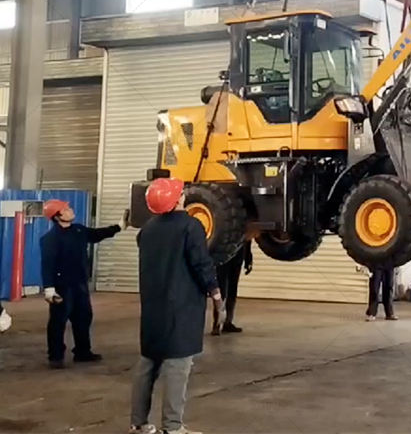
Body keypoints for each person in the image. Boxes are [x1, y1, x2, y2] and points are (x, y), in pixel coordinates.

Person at [130, 178, 225, 434]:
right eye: (180, 193)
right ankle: (172, 427)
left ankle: (138, 424)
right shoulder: (190, 226)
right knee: (177, 366)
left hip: (153, 306)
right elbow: (201, 263)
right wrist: (215, 293)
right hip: (181, 307)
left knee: (148, 363)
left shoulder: (147, 230)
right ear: (177, 200)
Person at [40, 199, 127, 369]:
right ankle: (56, 356)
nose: (71, 210)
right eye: (66, 209)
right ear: (57, 216)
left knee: (83, 318)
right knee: (58, 322)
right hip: (62, 287)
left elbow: (96, 234)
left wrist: (119, 226)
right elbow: (47, 264)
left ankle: (82, 352)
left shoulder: (78, 230)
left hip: (80, 284)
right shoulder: (50, 239)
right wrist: (49, 289)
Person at [211, 240, 252, 335]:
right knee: (221, 290)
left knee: (232, 289)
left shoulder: (242, 230)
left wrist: (248, 259)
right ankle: (217, 323)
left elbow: (247, 241)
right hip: (223, 256)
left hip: (238, 256)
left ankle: (228, 322)